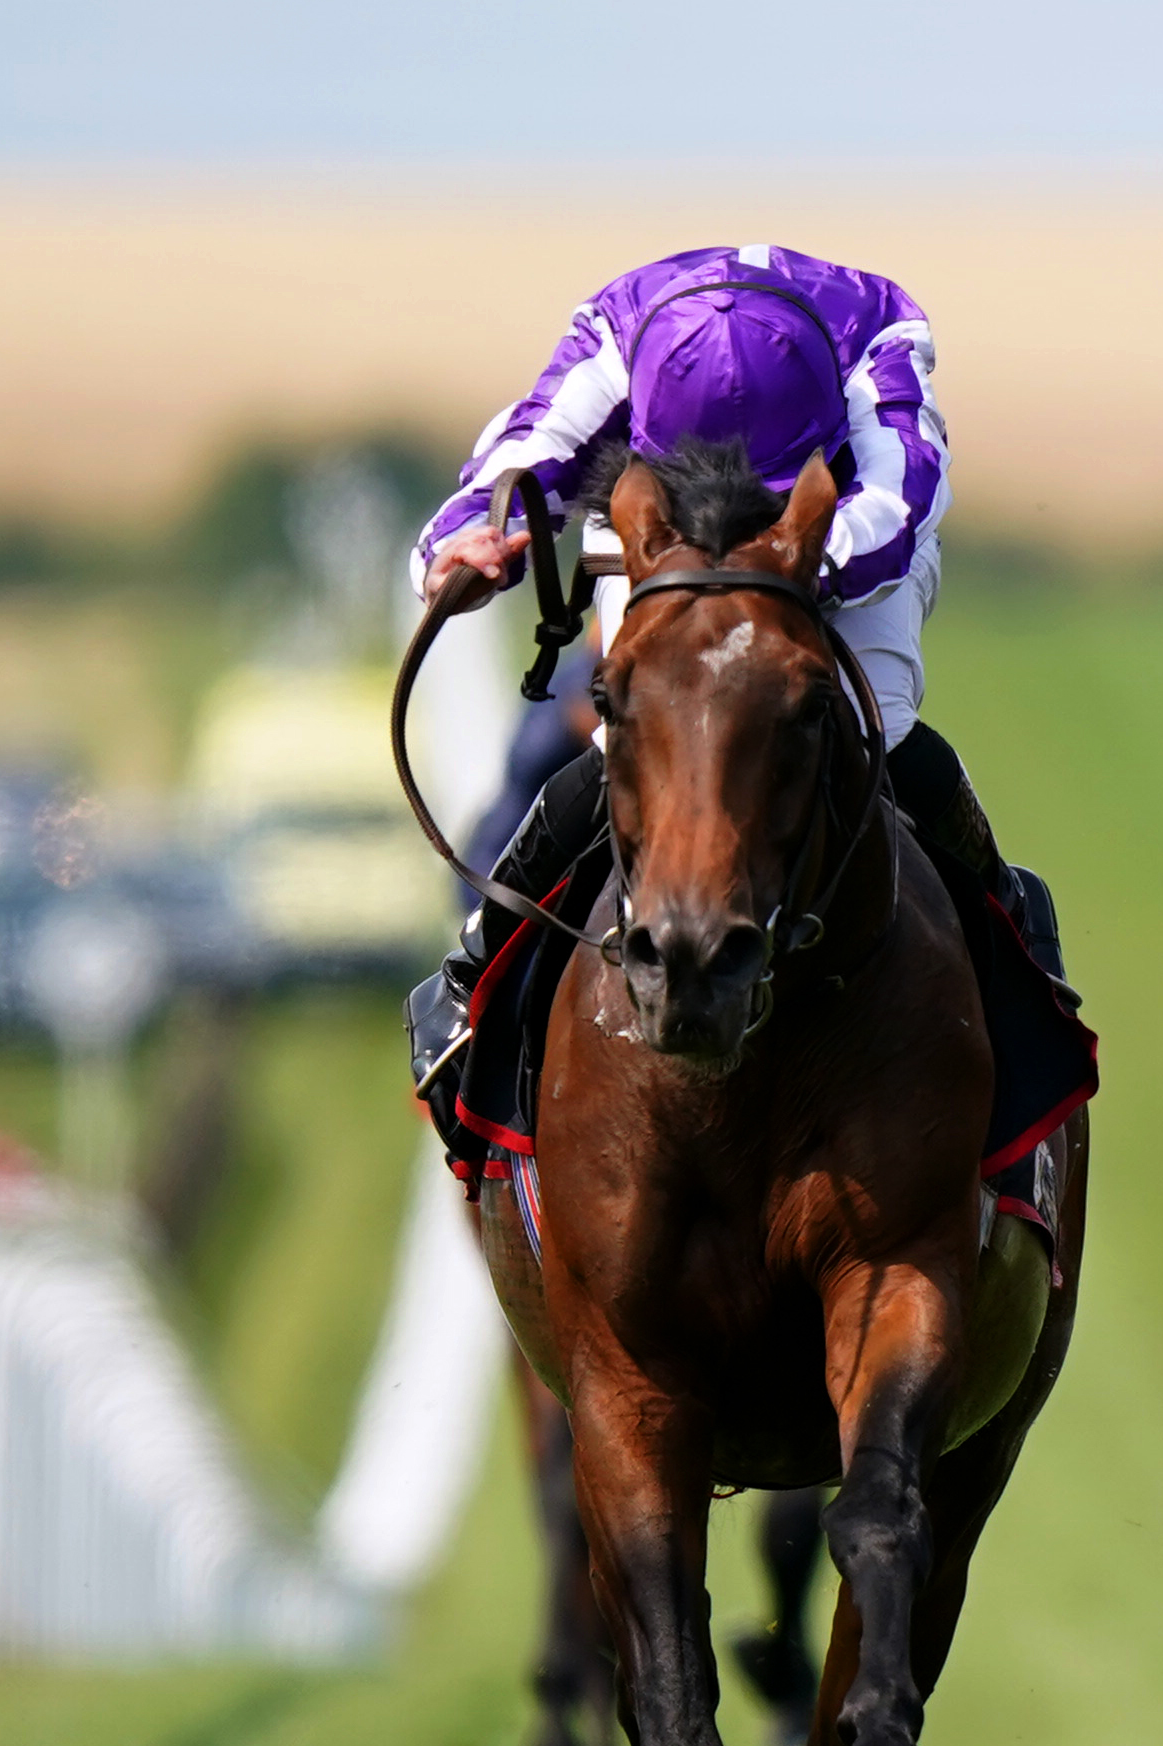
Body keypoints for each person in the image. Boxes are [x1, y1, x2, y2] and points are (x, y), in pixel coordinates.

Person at [405, 241, 1051, 1105]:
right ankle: (476, 970)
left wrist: (785, 568)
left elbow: (903, 500)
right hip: (665, 539)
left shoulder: (876, 328)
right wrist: (461, 544)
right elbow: (526, 453)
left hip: (836, 547)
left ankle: (1017, 954)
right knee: (623, 737)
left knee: (881, 734)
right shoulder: (621, 327)